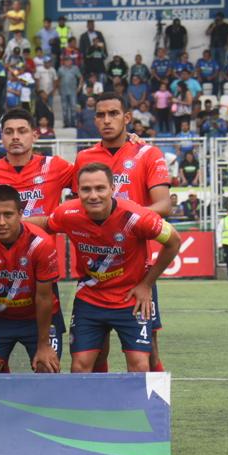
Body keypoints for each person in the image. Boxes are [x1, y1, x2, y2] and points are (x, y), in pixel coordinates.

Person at [39, 163, 181, 373]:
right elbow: (46, 223)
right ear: (77, 191)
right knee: (80, 366)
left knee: (141, 365)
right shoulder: (68, 213)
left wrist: (146, 284)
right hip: (90, 299)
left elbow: (174, 241)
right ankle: (95, 406)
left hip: (131, 299)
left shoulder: (137, 216)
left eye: (100, 188)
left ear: (112, 189)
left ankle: (147, 406)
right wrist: (12, 222)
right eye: (86, 190)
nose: (93, 195)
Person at [73, 92, 172, 373]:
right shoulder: (85, 158)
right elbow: (77, 206)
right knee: (94, 351)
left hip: (136, 268)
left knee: (148, 349)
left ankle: (154, 411)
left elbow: (165, 204)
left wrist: (127, 219)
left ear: (127, 118)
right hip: (95, 268)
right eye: (101, 115)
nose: (107, 120)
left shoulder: (147, 153)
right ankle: (98, 411)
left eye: (114, 114)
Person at [0, 185, 62, 374]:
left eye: (8, 215)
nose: (1, 222)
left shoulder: (41, 242)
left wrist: (43, 345)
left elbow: (44, 298)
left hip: (37, 318)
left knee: (47, 367)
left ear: (20, 214)